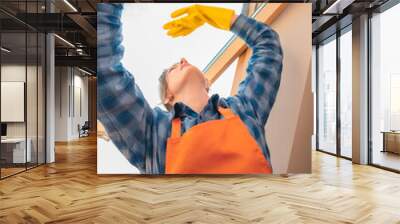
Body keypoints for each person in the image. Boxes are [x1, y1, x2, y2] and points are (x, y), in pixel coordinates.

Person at [98, 4, 283, 174]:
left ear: (207, 82)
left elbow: (267, 43)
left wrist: (225, 18)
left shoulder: (243, 109)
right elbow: (103, 69)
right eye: (172, 68)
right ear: (167, 97)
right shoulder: (152, 131)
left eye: (184, 61)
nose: (183, 60)